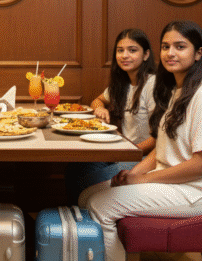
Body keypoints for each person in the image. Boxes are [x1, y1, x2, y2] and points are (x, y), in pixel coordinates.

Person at [79, 20, 202, 261]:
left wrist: (143, 179)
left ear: (198, 53)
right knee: (87, 196)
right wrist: (134, 174)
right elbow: (161, 149)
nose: (170, 53)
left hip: (201, 191)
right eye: (166, 46)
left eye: (180, 46)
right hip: (178, 183)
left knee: (100, 206)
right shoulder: (177, 90)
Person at [64, 28, 156, 204]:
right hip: (123, 152)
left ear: (146, 55)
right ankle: (78, 216)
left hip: (145, 158)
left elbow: (159, 138)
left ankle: (88, 214)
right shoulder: (122, 84)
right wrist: (100, 108)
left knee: (88, 181)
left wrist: (128, 152)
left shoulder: (153, 85)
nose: (124, 55)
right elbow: (97, 100)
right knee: (74, 169)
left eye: (132, 50)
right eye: (120, 50)